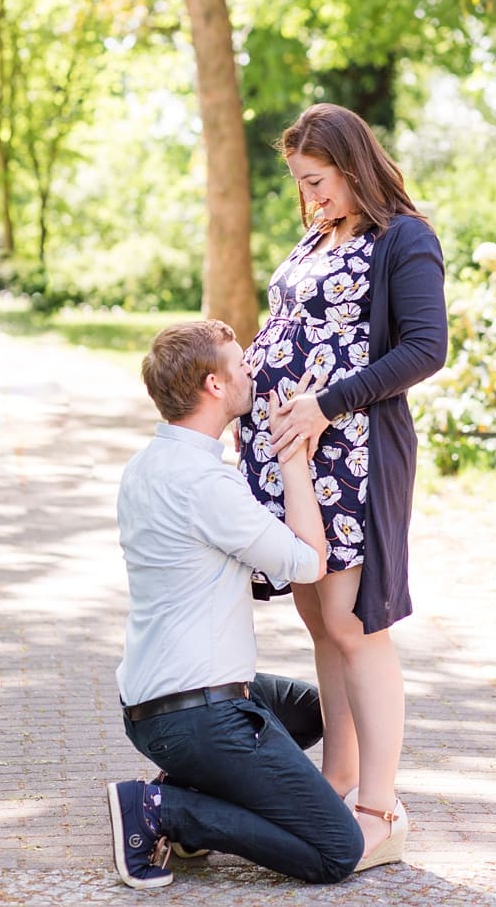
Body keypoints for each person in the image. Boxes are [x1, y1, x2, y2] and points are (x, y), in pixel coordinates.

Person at [237, 103, 447, 868]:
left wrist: (326, 404)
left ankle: (381, 810)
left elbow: (427, 347)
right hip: (289, 459)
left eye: (318, 181)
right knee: (321, 623)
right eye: (300, 184)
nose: (311, 198)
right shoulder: (318, 236)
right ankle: (339, 781)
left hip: (351, 457)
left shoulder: (404, 240)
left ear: (354, 166)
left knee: (357, 627)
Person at [107, 320, 364, 888]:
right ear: (213, 386)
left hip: (150, 707)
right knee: (336, 850)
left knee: (322, 712)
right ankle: (161, 811)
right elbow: (308, 562)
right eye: (241, 362)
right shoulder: (205, 485)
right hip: (200, 716)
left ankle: (190, 790)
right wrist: (292, 456)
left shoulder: (144, 468)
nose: (253, 369)